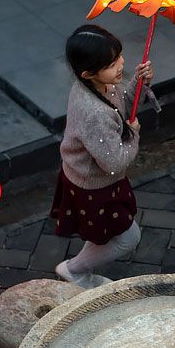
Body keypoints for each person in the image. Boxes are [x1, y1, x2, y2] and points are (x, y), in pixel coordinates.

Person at [51, 24, 157, 289]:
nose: (121, 63)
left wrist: (139, 83)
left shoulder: (97, 85)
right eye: (111, 63)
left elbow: (123, 103)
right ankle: (74, 270)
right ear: (88, 73)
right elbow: (114, 163)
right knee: (127, 238)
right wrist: (133, 135)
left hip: (87, 179)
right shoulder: (95, 113)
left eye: (119, 55)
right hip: (95, 186)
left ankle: (78, 269)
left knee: (103, 234)